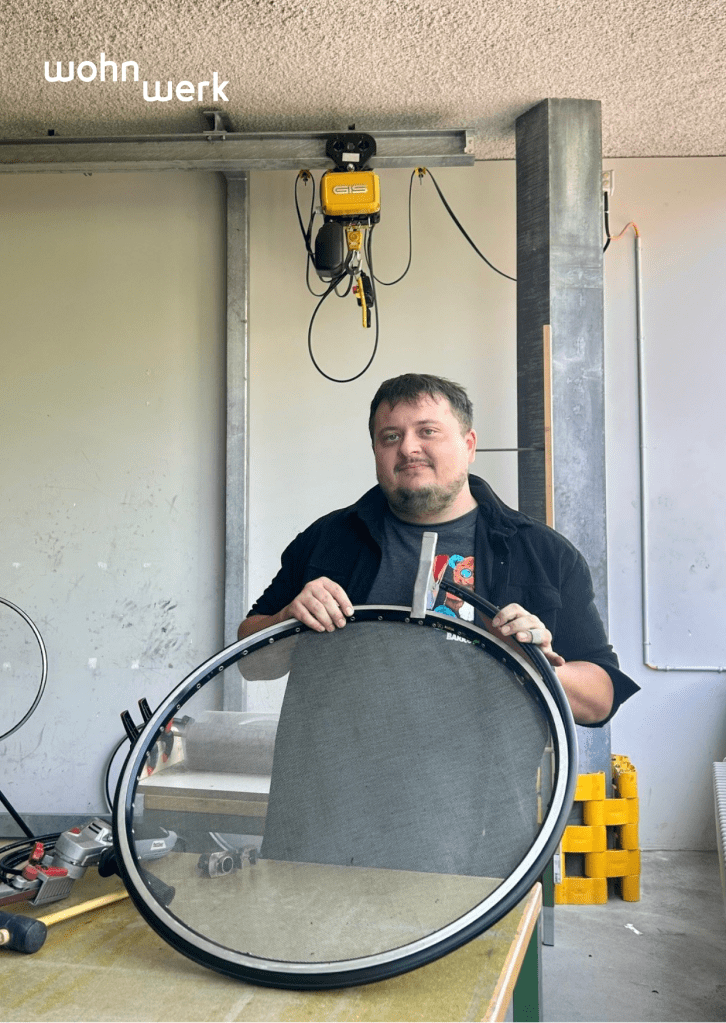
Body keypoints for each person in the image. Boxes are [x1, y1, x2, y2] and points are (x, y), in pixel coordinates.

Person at [239, 373, 639, 725]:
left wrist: (532, 664)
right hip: (328, 780)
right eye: (390, 436)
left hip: (479, 786)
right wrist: (287, 620)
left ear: (469, 444)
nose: (408, 448)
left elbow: (601, 699)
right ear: (375, 450)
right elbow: (248, 662)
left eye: (427, 431)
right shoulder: (328, 539)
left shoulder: (541, 552)